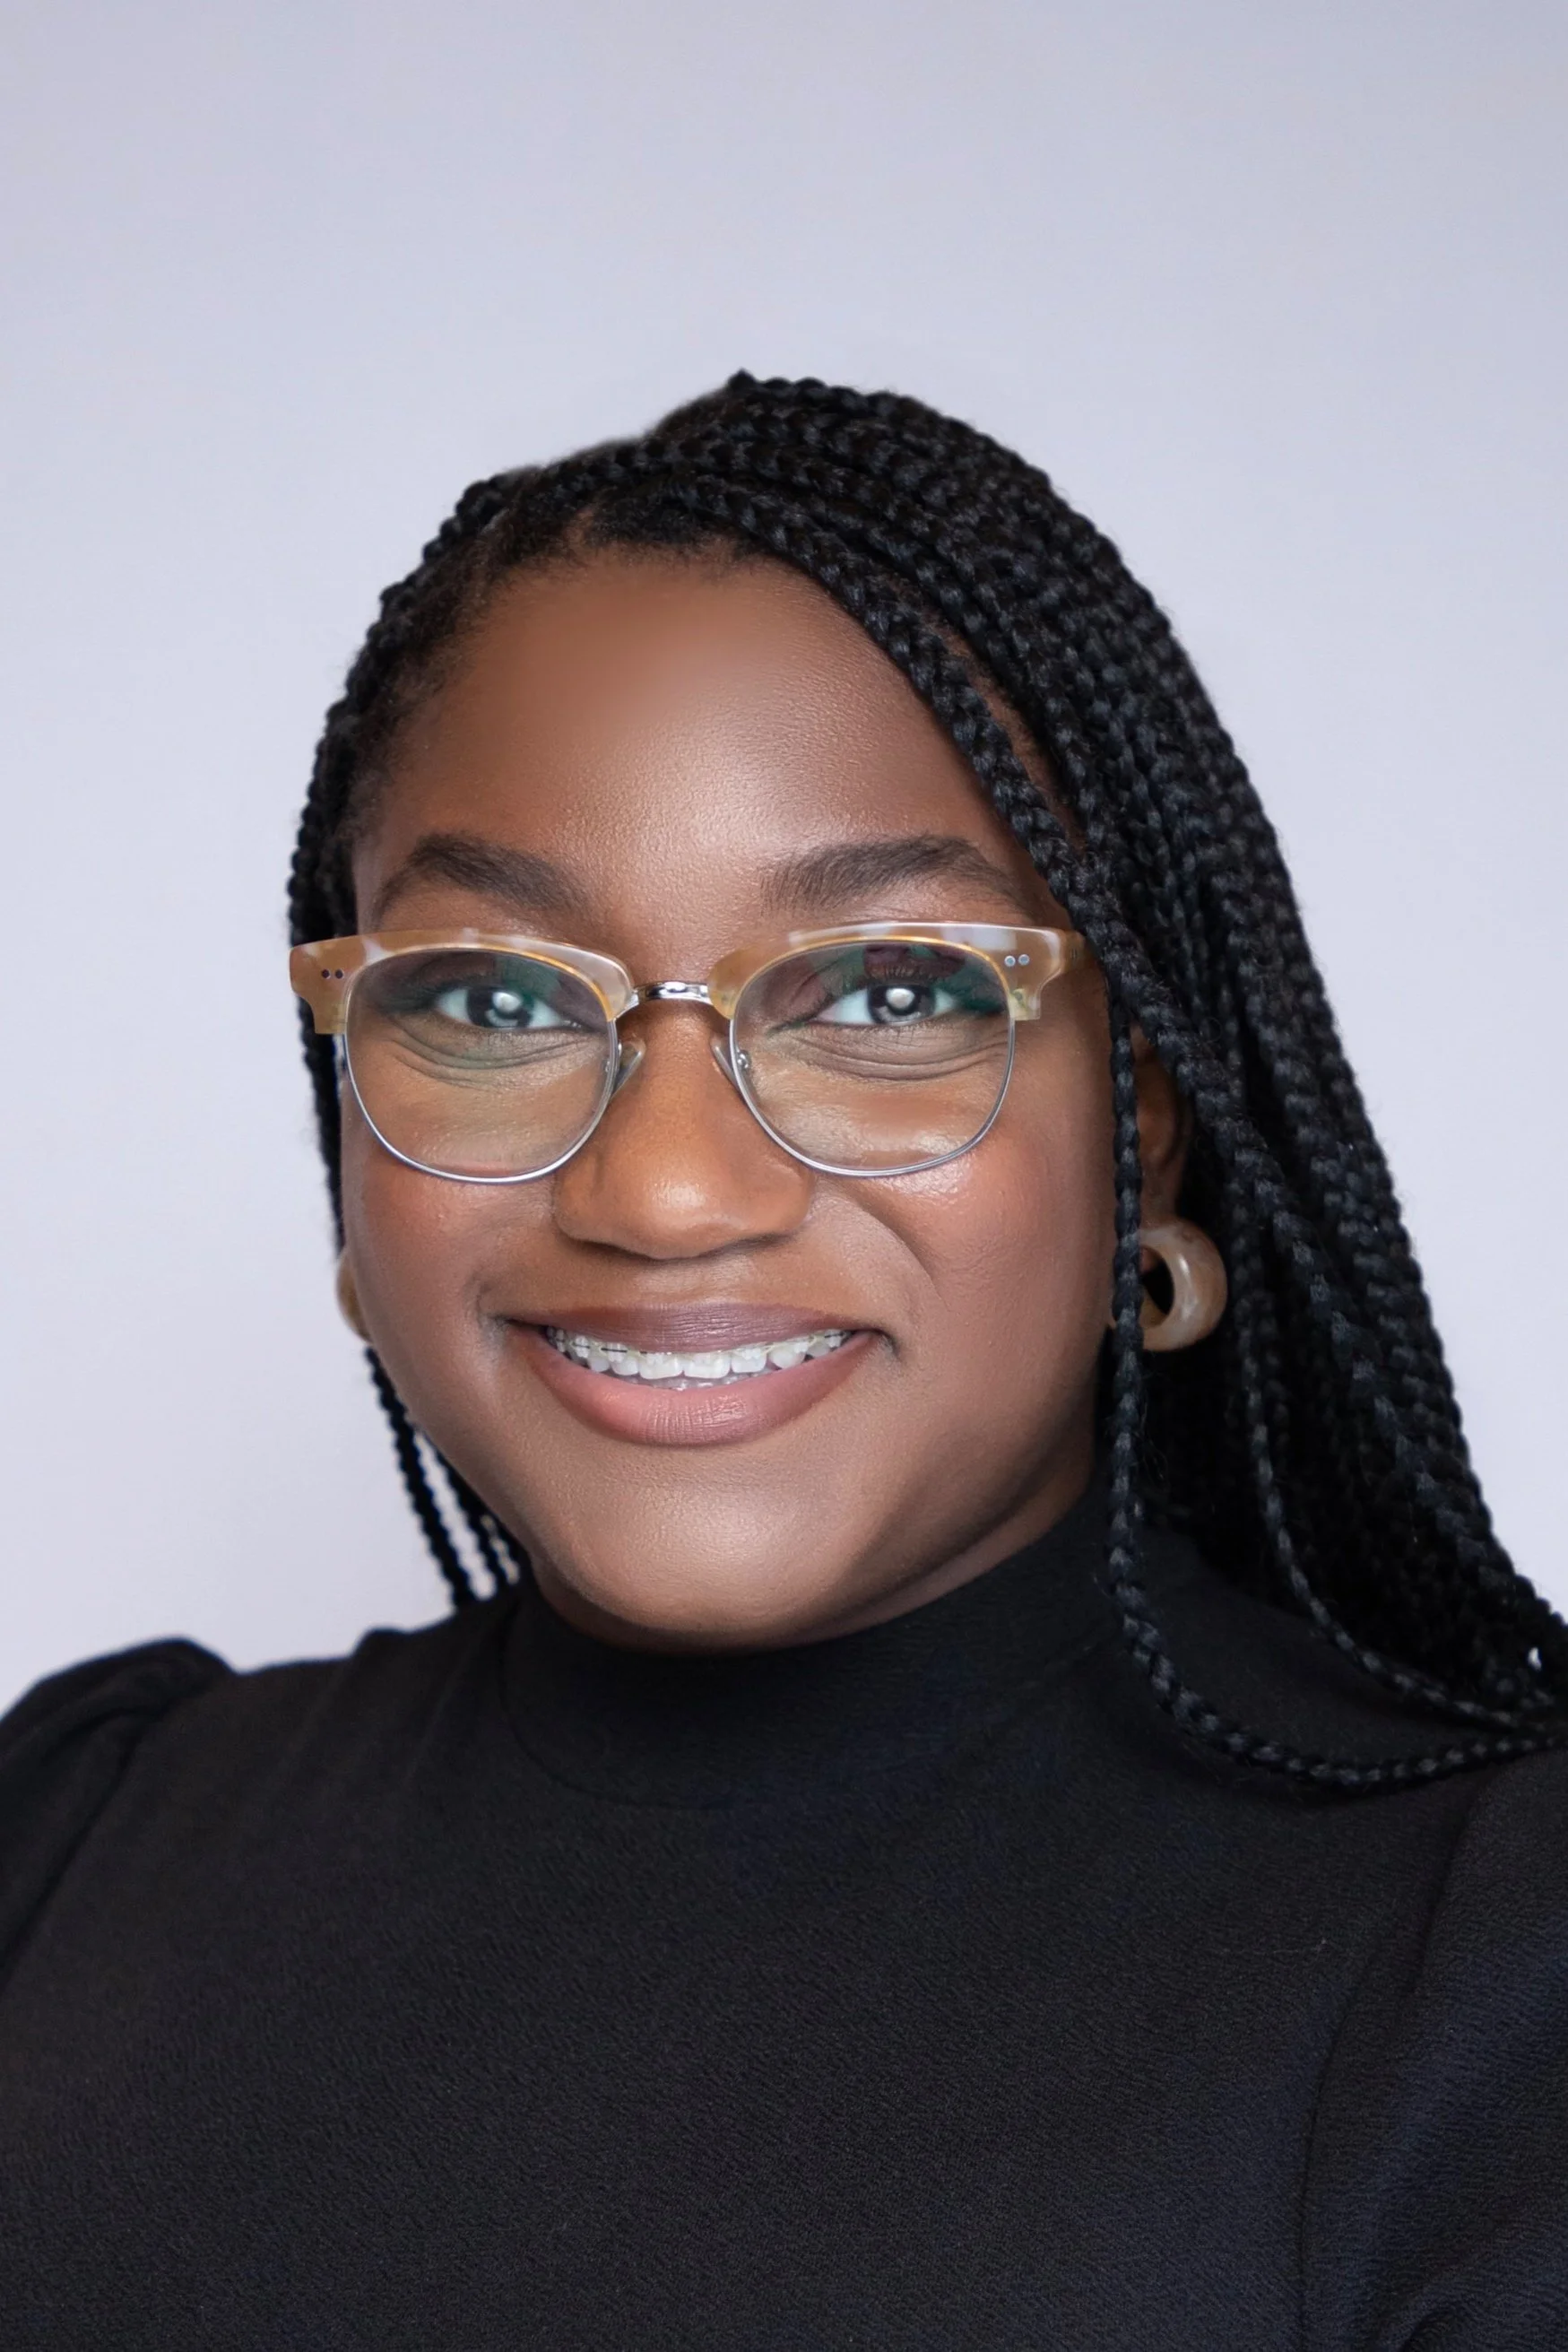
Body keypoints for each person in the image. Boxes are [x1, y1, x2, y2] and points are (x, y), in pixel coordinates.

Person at [2, 374, 1565, 2348]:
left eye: (890, 991)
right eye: (491, 997)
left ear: (1142, 1120)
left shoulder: (1486, 1984)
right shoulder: (76, 1850)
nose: (663, 1192)